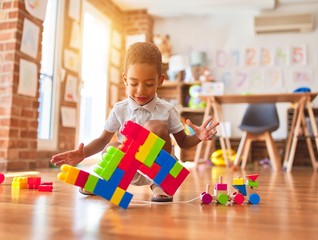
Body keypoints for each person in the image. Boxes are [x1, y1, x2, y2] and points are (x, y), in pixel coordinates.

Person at [51, 42, 219, 202]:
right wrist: (84, 153)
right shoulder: (119, 109)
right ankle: (108, 183)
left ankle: (159, 185)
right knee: (111, 148)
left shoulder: (167, 110)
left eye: (149, 83)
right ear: (125, 79)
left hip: (158, 168)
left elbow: (183, 142)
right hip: (128, 169)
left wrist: (198, 137)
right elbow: (103, 140)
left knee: (155, 126)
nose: (140, 90)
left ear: (160, 80)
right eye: (133, 83)